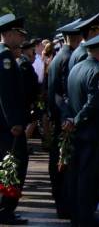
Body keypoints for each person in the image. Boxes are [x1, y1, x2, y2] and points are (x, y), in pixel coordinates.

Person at [65, 30, 99, 227]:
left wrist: (70, 120)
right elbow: (93, 105)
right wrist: (76, 121)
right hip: (94, 135)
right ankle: (86, 218)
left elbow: (69, 100)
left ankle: (79, 215)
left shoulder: (77, 67)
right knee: (90, 179)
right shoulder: (98, 72)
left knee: (79, 176)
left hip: (80, 134)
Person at [46, 18, 82, 220]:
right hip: (65, 119)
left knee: (59, 162)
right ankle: (66, 205)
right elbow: (65, 93)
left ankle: (63, 204)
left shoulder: (59, 56)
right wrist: (68, 118)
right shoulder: (68, 58)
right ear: (78, 38)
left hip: (57, 116)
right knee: (64, 164)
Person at [0, 15, 28, 225]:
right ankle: (5, 209)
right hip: (8, 127)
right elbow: (7, 94)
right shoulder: (5, 58)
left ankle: (6, 209)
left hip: (5, 125)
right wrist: (15, 123)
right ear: (8, 34)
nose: (21, 39)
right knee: (14, 166)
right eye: (18, 34)